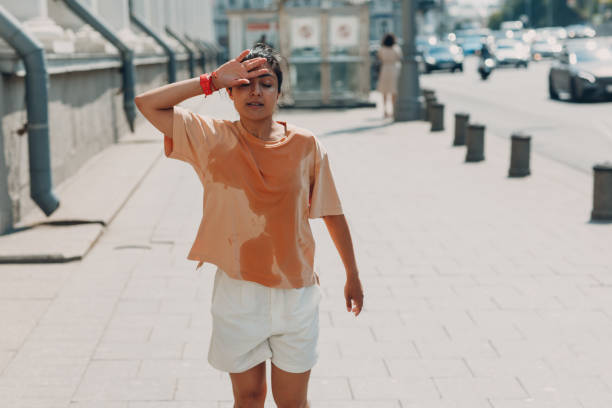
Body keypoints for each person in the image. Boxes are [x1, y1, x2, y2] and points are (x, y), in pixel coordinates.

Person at [133, 43, 364, 408]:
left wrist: (352, 274)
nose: (255, 92)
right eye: (244, 84)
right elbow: (147, 103)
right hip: (238, 293)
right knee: (250, 399)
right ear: (230, 92)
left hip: (296, 292)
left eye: (266, 83)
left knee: (292, 403)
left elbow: (331, 212)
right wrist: (209, 80)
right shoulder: (210, 138)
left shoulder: (306, 145)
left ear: (279, 91)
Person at [376, 33, 402, 118]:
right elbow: (399, 57)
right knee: (394, 91)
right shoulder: (396, 48)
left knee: (385, 92)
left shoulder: (382, 49)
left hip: (385, 69)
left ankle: (385, 111)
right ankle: (394, 111)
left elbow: (379, 57)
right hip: (394, 69)